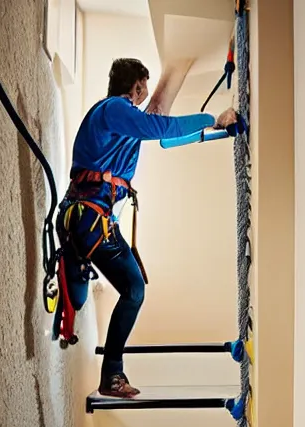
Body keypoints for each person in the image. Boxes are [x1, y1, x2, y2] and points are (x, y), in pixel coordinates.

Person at [56, 58, 238, 398]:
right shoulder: (114, 108)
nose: (143, 96)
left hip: (97, 220)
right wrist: (213, 118)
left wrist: (201, 128)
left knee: (133, 289)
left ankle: (111, 371)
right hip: (88, 219)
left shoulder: (122, 123)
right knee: (134, 288)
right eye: (143, 88)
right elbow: (159, 129)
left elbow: (157, 128)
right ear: (137, 86)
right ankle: (111, 374)